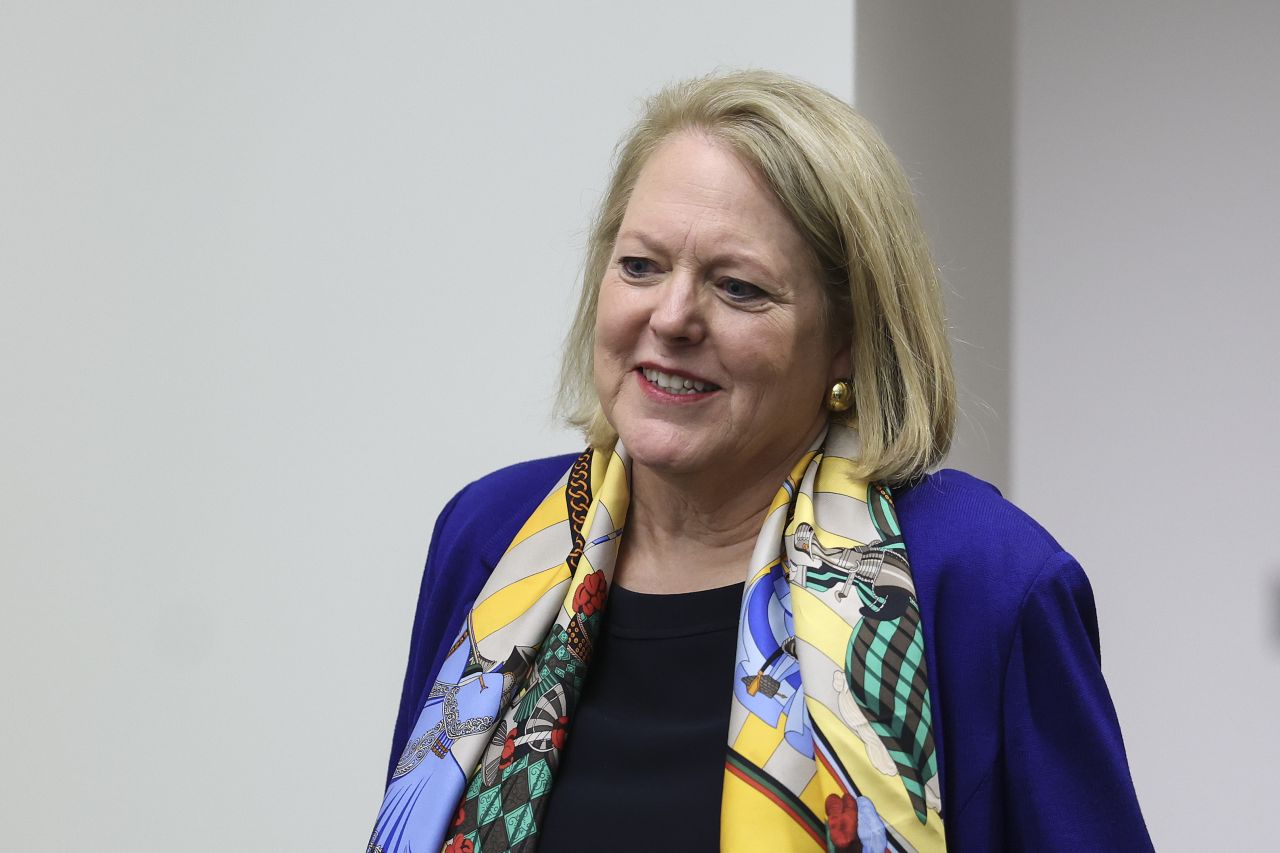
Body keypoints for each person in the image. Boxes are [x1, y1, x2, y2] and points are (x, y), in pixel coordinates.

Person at [367, 70, 1153, 852]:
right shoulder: (489, 537)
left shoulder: (984, 579)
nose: (671, 318)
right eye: (640, 266)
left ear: (848, 336)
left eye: (737, 287)